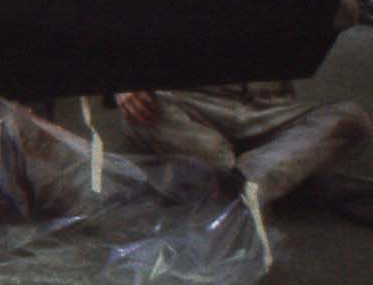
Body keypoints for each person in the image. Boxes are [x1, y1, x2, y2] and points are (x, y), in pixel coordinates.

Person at [113, 83, 371, 206]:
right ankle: (270, 180)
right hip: (189, 99)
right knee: (143, 114)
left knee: (351, 118)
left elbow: (344, 12)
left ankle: (238, 183)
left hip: (267, 106)